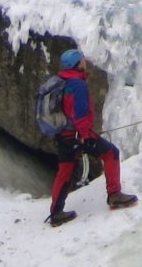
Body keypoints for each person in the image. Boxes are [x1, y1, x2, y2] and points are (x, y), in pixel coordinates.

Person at [46, 48, 137, 227]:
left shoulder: (59, 81)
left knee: (65, 171)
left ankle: (56, 212)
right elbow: (80, 114)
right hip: (78, 135)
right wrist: (86, 136)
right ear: (77, 63)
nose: (85, 62)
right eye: (82, 60)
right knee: (111, 153)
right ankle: (114, 195)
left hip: (62, 135)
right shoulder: (77, 85)